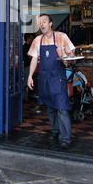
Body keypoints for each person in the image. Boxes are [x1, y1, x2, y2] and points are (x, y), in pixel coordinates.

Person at [27, 14, 75, 149]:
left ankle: (65, 138)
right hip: (44, 77)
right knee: (49, 105)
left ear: (50, 23)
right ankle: (55, 130)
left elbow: (72, 54)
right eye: (39, 22)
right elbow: (34, 59)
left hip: (58, 76)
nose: (41, 24)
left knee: (61, 106)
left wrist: (68, 57)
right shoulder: (37, 40)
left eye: (44, 21)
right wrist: (30, 76)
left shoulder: (62, 36)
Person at [22, 33, 34, 101]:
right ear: (28, 38)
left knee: (27, 80)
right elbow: (30, 56)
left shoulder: (27, 46)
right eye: (31, 37)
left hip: (28, 65)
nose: (32, 39)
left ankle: (25, 96)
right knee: (26, 81)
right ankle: (23, 96)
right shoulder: (26, 47)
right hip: (27, 65)